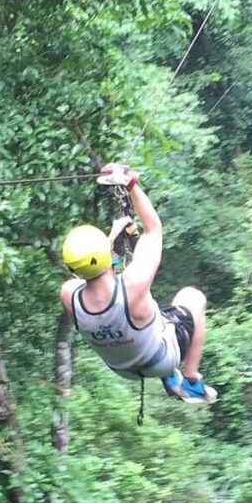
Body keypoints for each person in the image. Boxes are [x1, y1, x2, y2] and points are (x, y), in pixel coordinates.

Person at [60, 163, 217, 404]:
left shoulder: (69, 295)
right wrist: (131, 183)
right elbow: (153, 229)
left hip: (124, 369)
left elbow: (89, 273)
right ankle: (191, 379)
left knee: (152, 316)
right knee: (192, 298)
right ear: (105, 255)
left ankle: (170, 377)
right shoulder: (133, 286)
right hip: (160, 358)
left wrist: (112, 236)